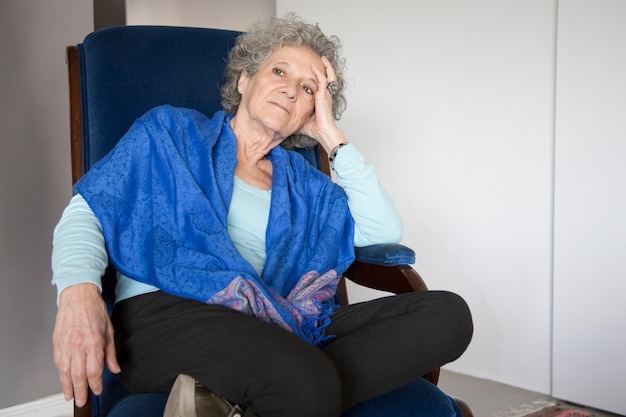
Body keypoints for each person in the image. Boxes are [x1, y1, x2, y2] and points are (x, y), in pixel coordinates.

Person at [51, 14, 473, 417]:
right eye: (279, 73)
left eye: (310, 89)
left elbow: (383, 230)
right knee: (306, 380)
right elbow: (87, 210)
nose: (292, 90)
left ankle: (236, 403)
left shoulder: (308, 187)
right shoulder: (170, 134)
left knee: (448, 315)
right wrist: (78, 292)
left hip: (279, 323)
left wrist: (330, 136)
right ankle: (300, 387)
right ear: (244, 79)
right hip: (169, 312)